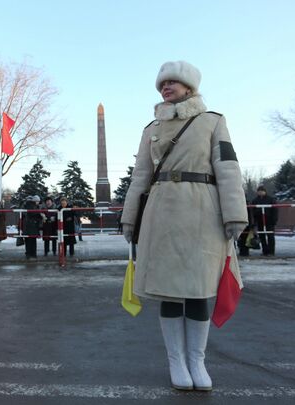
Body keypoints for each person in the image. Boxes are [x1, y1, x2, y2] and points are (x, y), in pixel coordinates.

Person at [120, 61, 248, 391]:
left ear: (190, 88)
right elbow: (140, 178)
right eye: (162, 83)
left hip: (203, 212)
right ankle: (176, 361)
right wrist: (129, 217)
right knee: (169, 289)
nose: (166, 87)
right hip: (161, 214)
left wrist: (234, 214)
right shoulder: (151, 129)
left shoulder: (212, 122)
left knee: (199, 288)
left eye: (173, 82)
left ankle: (197, 360)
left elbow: (229, 168)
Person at [251, 185, 278, 256]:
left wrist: (274, 220)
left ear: (265, 191)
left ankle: (271, 251)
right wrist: (255, 222)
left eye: (261, 191)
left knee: (270, 236)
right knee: (262, 236)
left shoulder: (271, 199)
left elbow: (275, 210)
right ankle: (265, 251)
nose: (260, 193)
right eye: (259, 191)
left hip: (269, 220)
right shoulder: (255, 200)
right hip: (260, 220)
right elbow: (253, 211)